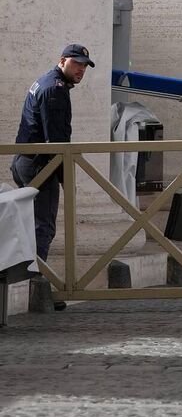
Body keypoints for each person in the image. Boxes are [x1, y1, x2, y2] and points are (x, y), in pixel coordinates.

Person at [10, 44, 95, 263]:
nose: (81, 69)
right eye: (76, 63)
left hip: (25, 161)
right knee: (43, 227)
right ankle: (36, 287)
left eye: (84, 65)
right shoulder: (55, 89)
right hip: (40, 165)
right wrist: (66, 178)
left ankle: (30, 282)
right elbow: (57, 141)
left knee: (31, 225)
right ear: (62, 60)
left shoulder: (47, 81)